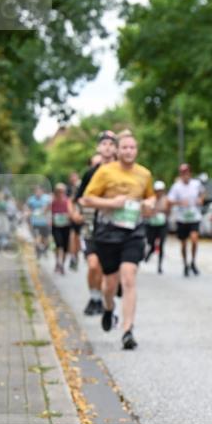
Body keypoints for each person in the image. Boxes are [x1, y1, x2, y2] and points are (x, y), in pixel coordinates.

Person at [80, 130, 155, 350]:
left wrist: (149, 204)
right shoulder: (105, 172)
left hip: (133, 232)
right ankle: (108, 307)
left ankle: (127, 330)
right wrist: (111, 204)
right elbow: (87, 199)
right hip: (108, 233)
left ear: (136, 151)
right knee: (110, 284)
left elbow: (150, 197)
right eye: (124, 147)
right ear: (117, 150)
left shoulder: (144, 174)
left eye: (132, 147)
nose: (128, 151)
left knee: (129, 277)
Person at [74, 132, 118, 316]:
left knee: (108, 268)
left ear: (116, 149)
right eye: (104, 144)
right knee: (93, 265)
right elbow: (79, 198)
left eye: (111, 144)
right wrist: (79, 211)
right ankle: (95, 297)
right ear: (98, 148)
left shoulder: (122, 172)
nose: (107, 147)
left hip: (114, 225)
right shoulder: (91, 173)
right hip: (91, 225)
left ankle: (105, 299)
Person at [168, 163, 205, 277]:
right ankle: (185, 264)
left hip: (194, 216)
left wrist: (201, 199)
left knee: (194, 239)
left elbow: (203, 193)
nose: (185, 175)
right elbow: (169, 200)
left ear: (190, 173)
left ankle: (193, 261)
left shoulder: (196, 184)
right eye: (183, 173)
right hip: (182, 218)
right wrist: (179, 202)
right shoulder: (176, 186)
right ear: (180, 174)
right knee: (183, 244)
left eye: (187, 172)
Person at [50, 183, 74, 275]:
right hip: (56, 226)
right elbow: (47, 211)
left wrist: (69, 215)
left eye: (63, 191)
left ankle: (62, 264)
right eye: (59, 191)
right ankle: (58, 262)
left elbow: (71, 212)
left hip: (66, 226)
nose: (61, 193)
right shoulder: (52, 201)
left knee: (65, 247)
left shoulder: (67, 201)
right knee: (58, 244)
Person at [145, 180, 169, 274]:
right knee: (151, 243)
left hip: (162, 225)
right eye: (157, 190)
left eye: (161, 190)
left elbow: (168, 210)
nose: (159, 192)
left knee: (161, 244)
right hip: (152, 225)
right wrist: (152, 212)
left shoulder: (166, 199)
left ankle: (159, 266)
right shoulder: (151, 199)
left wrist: (160, 211)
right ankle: (149, 253)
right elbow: (146, 212)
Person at [26, 185, 52, 258]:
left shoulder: (47, 198)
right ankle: (38, 251)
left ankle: (45, 249)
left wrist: (47, 210)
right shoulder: (31, 200)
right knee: (37, 237)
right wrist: (28, 218)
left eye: (39, 191)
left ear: (42, 191)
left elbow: (50, 207)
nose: (38, 193)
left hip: (45, 222)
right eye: (36, 191)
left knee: (46, 238)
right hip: (35, 222)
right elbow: (28, 210)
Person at [66, 170, 83, 271]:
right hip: (74, 214)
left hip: (82, 214)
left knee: (78, 237)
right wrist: (71, 214)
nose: (73, 179)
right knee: (73, 236)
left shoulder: (82, 186)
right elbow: (69, 201)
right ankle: (73, 256)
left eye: (75, 176)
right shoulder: (69, 189)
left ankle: (76, 255)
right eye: (72, 177)